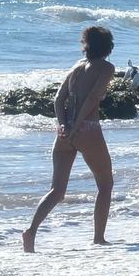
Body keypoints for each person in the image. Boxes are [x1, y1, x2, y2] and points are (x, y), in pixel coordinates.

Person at [22, 26, 118, 252]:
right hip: (88, 129)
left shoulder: (76, 67)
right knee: (105, 184)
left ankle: (31, 231)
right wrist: (76, 128)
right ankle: (99, 238)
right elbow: (93, 98)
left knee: (57, 190)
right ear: (108, 47)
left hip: (64, 133)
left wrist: (64, 124)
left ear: (86, 45)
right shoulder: (106, 68)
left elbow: (58, 99)